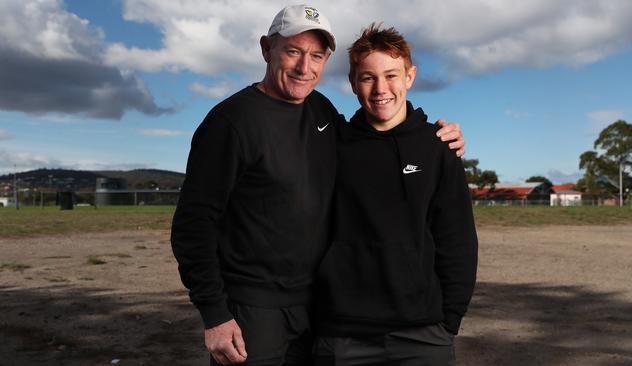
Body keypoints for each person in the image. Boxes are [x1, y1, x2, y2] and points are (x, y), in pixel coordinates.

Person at [171, 5, 465, 366]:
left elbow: (378, 137)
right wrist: (215, 313)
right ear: (267, 49)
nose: (304, 67)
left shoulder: (322, 112)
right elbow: (193, 223)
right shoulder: (230, 122)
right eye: (293, 51)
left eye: (316, 56)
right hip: (254, 309)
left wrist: (436, 136)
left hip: (315, 310)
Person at [313, 24, 478, 365]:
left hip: (423, 334)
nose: (381, 89)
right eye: (368, 77)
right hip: (343, 334)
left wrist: (449, 320)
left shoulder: (438, 147)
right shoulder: (332, 144)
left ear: (410, 77)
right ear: (352, 82)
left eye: (391, 75)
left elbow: (457, 238)